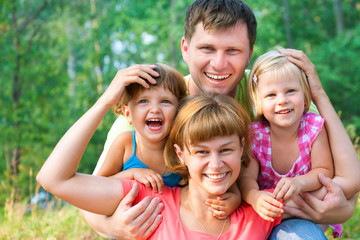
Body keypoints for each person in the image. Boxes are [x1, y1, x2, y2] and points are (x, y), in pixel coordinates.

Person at [81, 0, 360, 239]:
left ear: (250, 53)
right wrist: (113, 225)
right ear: (185, 48)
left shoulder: (269, 95)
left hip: (263, 227)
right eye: (207, 49)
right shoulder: (154, 109)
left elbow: (339, 174)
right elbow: (89, 197)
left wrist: (319, 95)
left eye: (233, 51)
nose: (219, 63)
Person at [36, 91, 285, 239]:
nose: (216, 164)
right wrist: (104, 101)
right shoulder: (150, 203)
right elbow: (53, 179)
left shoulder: (259, 209)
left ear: (242, 147)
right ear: (180, 154)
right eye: (201, 152)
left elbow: (323, 200)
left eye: (226, 150)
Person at [239, 50, 343, 238]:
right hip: (267, 215)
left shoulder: (313, 128)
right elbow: (246, 179)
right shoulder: (256, 135)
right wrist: (254, 196)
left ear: (304, 97)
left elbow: (324, 170)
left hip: (305, 215)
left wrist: (298, 183)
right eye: (271, 95)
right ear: (259, 102)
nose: (282, 100)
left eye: (290, 91)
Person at [96, 63, 187, 191]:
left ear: (179, 110)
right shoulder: (126, 144)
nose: (155, 109)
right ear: (128, 114)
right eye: (144, 101)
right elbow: (98, 184)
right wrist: (132, 174)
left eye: (165, 101)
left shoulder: (182, 147)